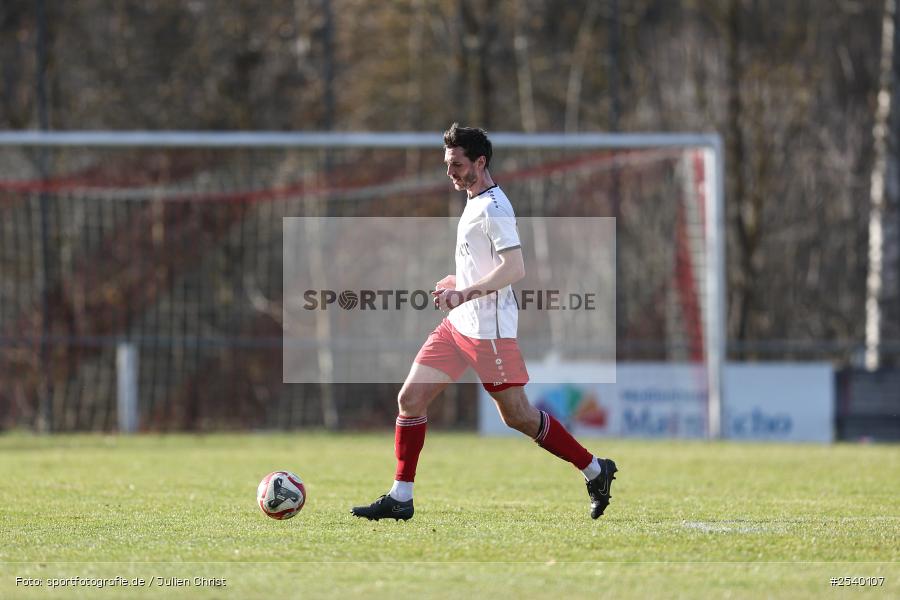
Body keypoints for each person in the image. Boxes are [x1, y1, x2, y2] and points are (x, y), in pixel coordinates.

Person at [351, 123, 617, 521]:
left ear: (480, 161)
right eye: (447, 164)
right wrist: (459, 284)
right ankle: (401, 496)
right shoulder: (474, 201)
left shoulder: (494, 207)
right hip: (459, 326)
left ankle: (596, 469)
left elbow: (515, 268)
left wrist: (463, 293)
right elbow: (487, 265)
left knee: (519, 417)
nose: (450, 172)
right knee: (410, 399)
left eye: (457, 164)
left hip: (488, 333)